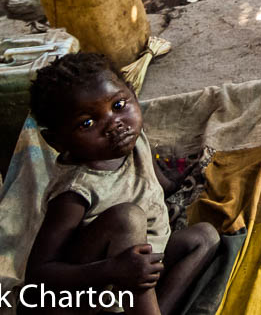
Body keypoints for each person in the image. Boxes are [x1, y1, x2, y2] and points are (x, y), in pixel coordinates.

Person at [26, 53, 219, 315]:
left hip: (142, 270)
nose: (114, 124)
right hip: (95, 289)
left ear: (132, 94)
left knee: (204, 237)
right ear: (57, 141)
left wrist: (181, 180)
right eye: (87, 123)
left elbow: (154, 183)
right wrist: (112, 268)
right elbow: (39, 274)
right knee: (127, 218)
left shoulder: (133, 142)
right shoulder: (75, 192)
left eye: (118, 105)